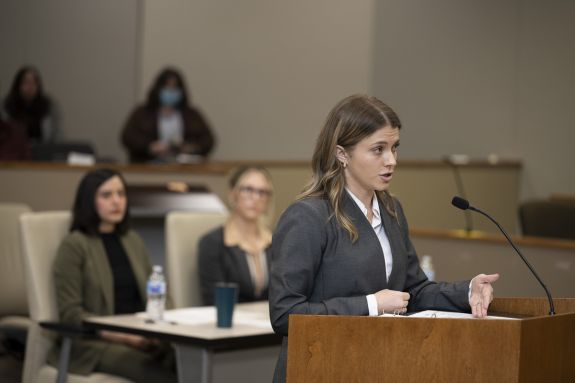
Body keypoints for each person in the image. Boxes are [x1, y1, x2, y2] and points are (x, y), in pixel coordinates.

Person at [268, 94, 499, 382]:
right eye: (378, 149)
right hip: (320, 367)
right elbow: (284, 313)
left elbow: (412, 292)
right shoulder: (308, 216)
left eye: (394, 148)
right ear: (342, 154)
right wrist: (372, 305)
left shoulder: (391, 209)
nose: (391, 161)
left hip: (377, 364)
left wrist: (467, 291)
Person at [51, 168, 176, 382]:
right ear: (89, 201)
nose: (116, 201)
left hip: (141, 335)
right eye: (106, 195)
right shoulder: (74, 245)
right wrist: (126, 337)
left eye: (121, 194)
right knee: (164, 376)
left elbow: (156, 293)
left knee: (192, 362)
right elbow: (71, 314)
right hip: (95, 344)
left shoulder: (132, 240)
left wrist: (162, 329)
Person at [198, 166, 274, 305]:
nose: (256, 198)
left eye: (262, 192)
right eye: (248, 190)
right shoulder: (212, 243)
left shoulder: (276, 242)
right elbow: (214, 300)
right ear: (232, 193)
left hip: (270, 324)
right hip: (229, 323)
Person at [121, 67, 215, 163]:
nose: (171, 91)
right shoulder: (142, 113)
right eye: (167, 87)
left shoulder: (192, 115)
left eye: (174, 88)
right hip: (148, 165)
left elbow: (208, 140)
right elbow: (128, 137)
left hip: (185, 166)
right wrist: (149, 147)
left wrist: (191, 148)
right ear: (158, 89)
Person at [3, 66, 58, 143]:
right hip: (14, 151)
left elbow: (56, 135)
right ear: (18, 85)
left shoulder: (47, 106)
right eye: (26, 82)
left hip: (42, 150)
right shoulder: (8, 107)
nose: (30, 87)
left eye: (34, 83)